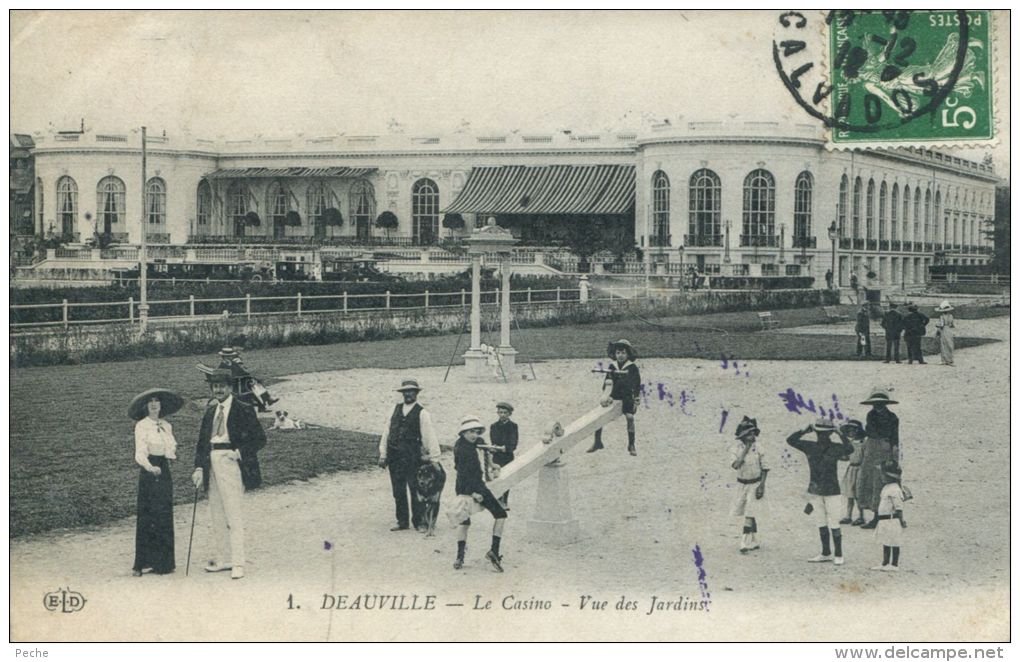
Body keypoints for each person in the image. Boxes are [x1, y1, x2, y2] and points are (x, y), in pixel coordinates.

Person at [191, 368, 267, 580]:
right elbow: (201, 444)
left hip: (231, 462)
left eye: (222, 385)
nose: (218, 389)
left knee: (233, 513)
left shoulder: (243, 408)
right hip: (211, 463)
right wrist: (198, 467)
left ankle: (237, 562)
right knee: (217, 514)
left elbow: (260, 438)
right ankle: (223, 558)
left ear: (230, 387)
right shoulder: (210, 412)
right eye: (215, 386)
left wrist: (239, 453)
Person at [129, 388, 184, 576]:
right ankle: (141, 563)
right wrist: (149, 466)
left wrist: (170, 454)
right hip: (149, 471)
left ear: (161, 405)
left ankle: (164, 563)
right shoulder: (141, 426)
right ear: (145, 406)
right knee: (148, 515)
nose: (154, 404)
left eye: (157, 401)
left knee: (164, 513)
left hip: (164, 470)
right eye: (150, 401)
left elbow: (171, 448)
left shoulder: (167, 426)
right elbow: (140, 452)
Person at [787, 417, 854, 565]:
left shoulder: (810, 446)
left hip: (823, 490)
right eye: (820, 433)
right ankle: (827, 553)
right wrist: (838, 432)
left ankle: (837, 554)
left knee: (831, 522)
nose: (821, 436)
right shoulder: (835, 447)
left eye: (823, 433)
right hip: (825, 490)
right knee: (822, 522)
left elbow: (791, 440)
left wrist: (805, 429)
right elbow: (849, 448)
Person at [378, 379, 441, 532]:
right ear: (402, 394)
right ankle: (402, 521)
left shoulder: (422, 413)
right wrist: (383, 454)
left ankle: (419, 522)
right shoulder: (394, 409)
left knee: (415, 490)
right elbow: (387, 431)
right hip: (394, 457)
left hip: (412, 457)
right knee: (398, 490)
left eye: (411, 391)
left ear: (416, 393)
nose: (408, 394)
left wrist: (434, 458)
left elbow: (428, 435)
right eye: (405, 391)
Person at [453, 416, 508, 572]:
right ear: (463, 432)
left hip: (470, 486)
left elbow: (484, 451)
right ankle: (469, 554)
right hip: (470, 487)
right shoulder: (462, 450)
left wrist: (491, 462)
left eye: (476, 432)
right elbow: (462, 473)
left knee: (467, 521)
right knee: (498, 515)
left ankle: (465, 556)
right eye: (471, 432)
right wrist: (474, 493)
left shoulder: (473, 442)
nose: (474, 435)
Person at [587, 339, 641, 456]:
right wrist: (607, 395)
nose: (620, 356)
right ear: (615, 354)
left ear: (628, 354)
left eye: (623, 353)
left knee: (630, 417)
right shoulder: (612, 366)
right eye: (618, 353)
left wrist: (636, 400)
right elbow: (607, 382)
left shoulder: (632, 368)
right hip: (614, 395)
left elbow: (637, 385)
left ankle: (631, 444)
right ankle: (597, 441)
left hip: (626, 396)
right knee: (599, 415)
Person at [855, 388, 900, 530]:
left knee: (881, 480)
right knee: (869, 479)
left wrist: (892, 456)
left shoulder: (893, 417)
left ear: (885, 404)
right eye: (875, 404)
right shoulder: (871, 415)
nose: (877, 406)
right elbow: (871, 432)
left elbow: (894, 438)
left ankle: (880, 517)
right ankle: (874, 515)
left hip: (885, 447)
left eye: (880, 404)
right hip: (871, 447)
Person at [729, 416, 768, 554]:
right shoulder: (735, 448)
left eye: (753, 433)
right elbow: (736, 465)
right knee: (749, 512)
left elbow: (765, 468)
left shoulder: (759, 448)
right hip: (742, 485)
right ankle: (755, 540)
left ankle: (744, 542)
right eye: (749, 433)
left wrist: (762, 486)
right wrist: (746, 449)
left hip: (755, 484)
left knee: (750, 513)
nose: (752, 436)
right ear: (743, 436)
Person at [217, 344, 278, 411]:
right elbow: (240, 373)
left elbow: (239, 372)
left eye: (231, 356)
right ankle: (266, 401)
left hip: (236, 382)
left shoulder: (224, 364)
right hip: (237, 384)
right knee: (255, 386)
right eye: (230, 356)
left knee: (255, 385)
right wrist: (248, 377)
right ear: (226, 357)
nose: (231, 357)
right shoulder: (229, 364)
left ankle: (266, 401)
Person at [871, 460, 907, 572]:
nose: (881, 477)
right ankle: (885, 562)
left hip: (892, 519)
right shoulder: (886, 487)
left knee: (894, 542)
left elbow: (899, 507)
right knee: (886, 541)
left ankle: (894, 564)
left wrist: (901, 520)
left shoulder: (895, 489)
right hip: (884, 520)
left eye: (883, 474)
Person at [489, 402, 519, 508]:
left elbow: (514, 443)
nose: (502, 415)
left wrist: (505, 448)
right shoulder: (493, 426)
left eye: (505, 413)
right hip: (497, 457)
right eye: (500, 412)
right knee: (496, 477)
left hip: (508, 457)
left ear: (509, 414)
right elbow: (493, 440)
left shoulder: (513, 426)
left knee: (507, 479)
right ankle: (497, 499)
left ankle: (504, 501)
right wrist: (494, 448)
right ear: (497, 413)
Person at [837, 419, 866, 526]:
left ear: (858, 431)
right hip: (851, 469)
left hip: (860, 469)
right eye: (849, 431)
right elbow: (847, 457)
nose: (851, 432)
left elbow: (865, 457)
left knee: (858, 494)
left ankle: (861, 516)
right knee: (850, 494)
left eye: (853, 430)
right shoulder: (850, 444)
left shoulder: (864, 443)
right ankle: (848, 516)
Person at [934, 300, 955, 366]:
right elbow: (952, 325)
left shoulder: (942, 316)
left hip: (944, 330)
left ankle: (944, 360)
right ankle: (950, 359)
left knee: (943, 345)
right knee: (950, 344)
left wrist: (937, 325)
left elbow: (942, 325)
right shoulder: (951, 316)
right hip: (949, 330)